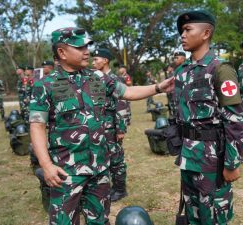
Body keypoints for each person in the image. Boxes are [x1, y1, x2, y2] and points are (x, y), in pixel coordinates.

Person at [29, 27, 174, 225]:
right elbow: (37, 125)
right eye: (79, 47)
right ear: (61, 52)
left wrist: (158, 87)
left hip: (99, 169)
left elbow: (129, 92)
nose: (86, 51)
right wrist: (46, 165)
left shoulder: (97, 77)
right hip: (67, 172)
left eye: (87, 46)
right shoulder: (46, 85)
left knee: (99, 220)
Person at [173, 10, 243, 224]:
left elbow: (236, 121)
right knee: (193, 212)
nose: (182, 35)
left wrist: (232, 163)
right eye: (181, 31)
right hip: (188, 156)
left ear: (206, 33)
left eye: (188, 30)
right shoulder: (182, 72)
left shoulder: (221, 70)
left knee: (212, 215)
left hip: (212, 159)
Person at [91, 48, 129, 203]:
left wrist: (121, 129)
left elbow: (121, 104)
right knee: (103, 157)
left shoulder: (114, 79)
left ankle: (120, 189)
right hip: (99, 126)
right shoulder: (95, 78)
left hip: (112, 126)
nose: (93, 62)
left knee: (116, 158)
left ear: (105, 61)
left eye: (96, 59)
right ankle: (107, 187)